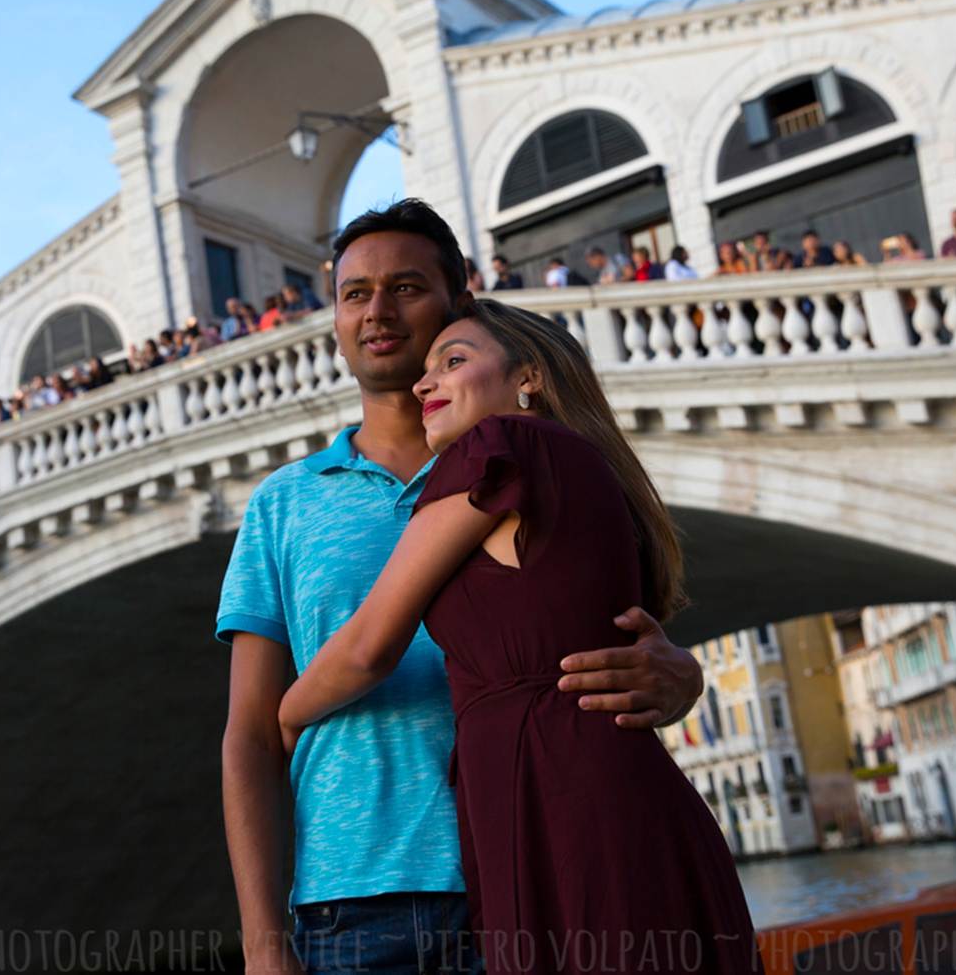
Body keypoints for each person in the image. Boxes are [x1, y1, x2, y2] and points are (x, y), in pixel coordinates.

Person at [216, 199, 705, 975]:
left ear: (460, 300)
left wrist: (683, 673)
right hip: (358, 898)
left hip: (531, 868)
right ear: (335, 319)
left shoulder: (527, 463)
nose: (377, 311)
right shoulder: (285, 503)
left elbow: (599, 623)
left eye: (406, 287)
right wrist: (262, 943)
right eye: (354, 294)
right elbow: (248, 734)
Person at [277, 297, 760, 975]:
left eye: (454, 361)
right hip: (599, 790)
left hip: (558, 799)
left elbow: (368, 645)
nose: (424, 383)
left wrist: (287, 714)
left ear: (527, 376)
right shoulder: (584, 467)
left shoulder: (500, 445)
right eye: (427, 369)